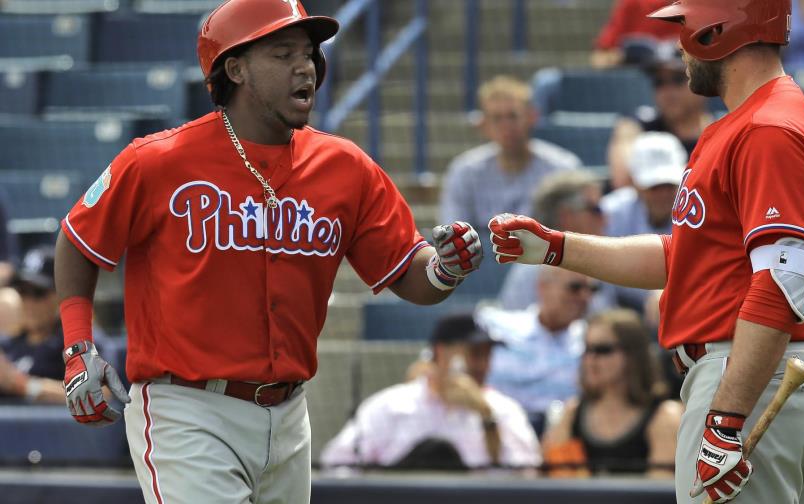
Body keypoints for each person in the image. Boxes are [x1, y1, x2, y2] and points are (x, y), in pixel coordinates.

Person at [53, 2, 483, 503]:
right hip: (188, 409)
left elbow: (410, 274)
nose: (306, 67)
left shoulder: (346, 167)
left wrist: (446, 268)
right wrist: (78, 348)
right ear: (234, 69)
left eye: (309, 54)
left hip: (290, 415)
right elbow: (78, 241)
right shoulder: (158, 160)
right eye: (283, 54)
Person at [488, 1, 804, 502]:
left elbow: (784, 281)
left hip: (751, 376)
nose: (677, 44)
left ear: (717, 30)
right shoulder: (748, 122)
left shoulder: (766, 128)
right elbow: (686, 257)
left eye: (684, 25)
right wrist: (557, 248)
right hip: (766, 372)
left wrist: (726, 418)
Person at [320, 313, 540, 470]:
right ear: (441, 352)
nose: (484, 366)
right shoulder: (390, 406)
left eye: (488, 355)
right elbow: (336, 465)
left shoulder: (503, 411)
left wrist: (486, 416)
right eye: (475, 353)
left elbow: (526, 478)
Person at [542, 309, 682, 476]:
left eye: (603, 350)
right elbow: (560, 483)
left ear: (632, 355)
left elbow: (660, 490)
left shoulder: (664, 416)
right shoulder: (571, 413)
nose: (591, 359)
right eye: (587, 349)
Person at [440, 75, 582, 233]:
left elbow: (576, 234)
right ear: (484, 125)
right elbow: (454, 235)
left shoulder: (562, 168)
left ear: (532, 117)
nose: (506, 125)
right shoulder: (464, 172)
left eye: (513, 116)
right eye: (497, 118)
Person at [481, 266, 595, 435]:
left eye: (592, 290)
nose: (585, 297)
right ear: (543, 287)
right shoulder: (494, 325)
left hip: (564, 439)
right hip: (494, 430)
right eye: (575, 288)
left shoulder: (594, 343)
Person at [499, 170, 612, 313]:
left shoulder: (600, 259)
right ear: (567, 215)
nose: (605, 220)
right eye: (596, 210)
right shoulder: (532, 269)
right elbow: (515, 329)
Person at [607, 41, 713, 189]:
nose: (667, 92)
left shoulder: (721, 131)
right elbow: (623, 181)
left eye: (677, 79)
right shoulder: (636, 126)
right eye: (659, 82)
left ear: (701, 80)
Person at [602, 131, 685, 313]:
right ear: (635, 183)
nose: (663, 194)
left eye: (669, 185)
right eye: (654, 186)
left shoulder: (696, 214)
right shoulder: (611, 212)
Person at [0, 247, 68, 404]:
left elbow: (101, 395)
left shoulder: (75, 342)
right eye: (23, 292)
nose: (29, 302)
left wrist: (25, 386)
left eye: (38, 293)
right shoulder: (8, 343)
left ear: (59, 296)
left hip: (51, 428)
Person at [591, 0, 681, 68]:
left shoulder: (687, 8)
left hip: (681, 82)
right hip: (636, 81)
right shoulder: (632, 4)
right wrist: (625, 56)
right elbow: (599, 58)